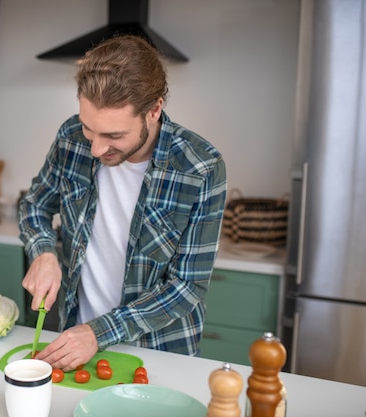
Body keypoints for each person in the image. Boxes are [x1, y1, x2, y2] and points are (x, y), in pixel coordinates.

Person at [18, 35, 227, 372]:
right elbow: (35, 205)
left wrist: (99, 333)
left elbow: (187, 286)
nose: (97, 149)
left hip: (159, 354)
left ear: (154, 110)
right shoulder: (71, 138)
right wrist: (43, 252)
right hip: (75, 345)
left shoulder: (200, 167)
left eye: (113, 136)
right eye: (90, 129)